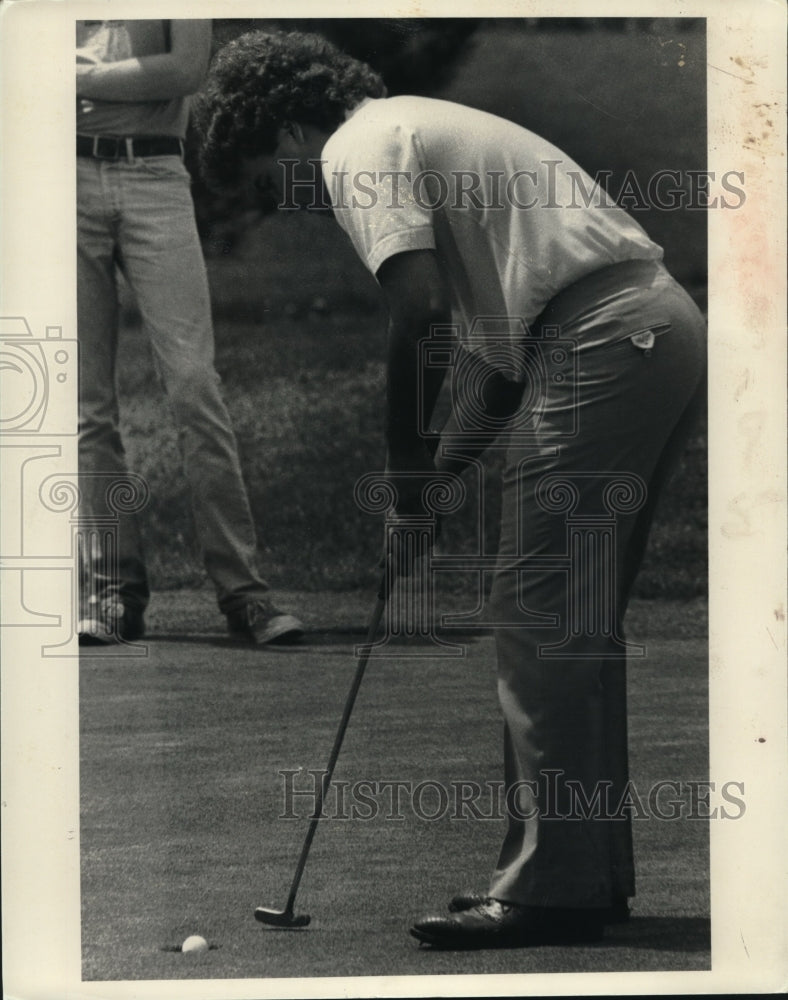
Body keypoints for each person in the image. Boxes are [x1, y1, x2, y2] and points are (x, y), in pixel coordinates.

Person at [195, 30, 706, 947]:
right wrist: (433, 492)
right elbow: (500, 372)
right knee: (573, 621)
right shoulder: (413, 127)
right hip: (653, 328)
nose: (290, 200)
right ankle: (581, 878)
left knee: (539, 612)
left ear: (285, 133)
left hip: (600, 341)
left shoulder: (355, 147)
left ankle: (549, 887)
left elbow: (419, 311)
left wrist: (402, 481)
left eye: (272, 179)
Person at [76, 19, 303, 646]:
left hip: (154, 175)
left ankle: (244, 593)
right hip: (62, 177)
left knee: (195, 387)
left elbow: (185, 69)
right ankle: (112, 593)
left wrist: (70, 78)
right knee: (87, 406)